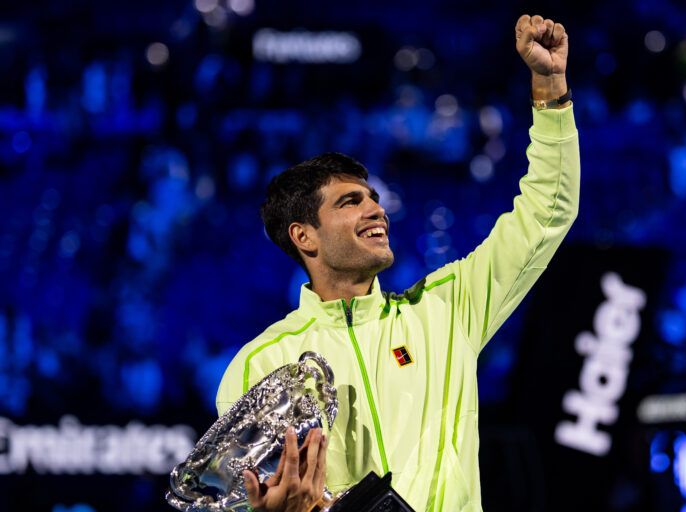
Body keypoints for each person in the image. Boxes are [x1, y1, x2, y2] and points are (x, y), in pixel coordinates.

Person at [215, 13, 579, 512]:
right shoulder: (259, 366)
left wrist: (550, 87)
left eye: (374, 198)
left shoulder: (446, 311)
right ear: (304, 236)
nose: (376, 209)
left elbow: (548, 212)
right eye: (350, 203)